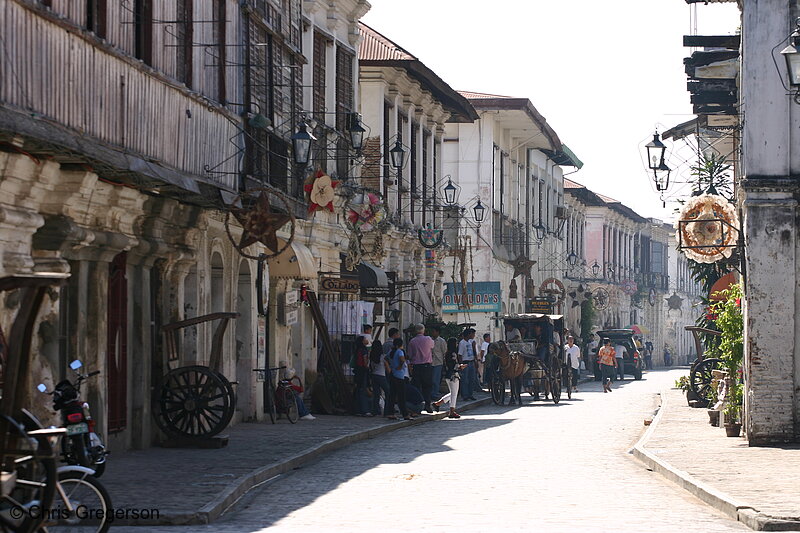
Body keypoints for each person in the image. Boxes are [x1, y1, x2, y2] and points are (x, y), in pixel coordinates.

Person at [433, 337, 466, 418]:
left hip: (449, 374)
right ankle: (451, 411)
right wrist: (460, 366)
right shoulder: (452, 354)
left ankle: (438, 403)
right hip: (453, 375)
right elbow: (452, 365)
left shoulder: (448, 353)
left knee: (453, 393)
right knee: (454, 394)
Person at [407, 323, 434, 413]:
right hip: (427, 366)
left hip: (416, 366)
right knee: (427, 386)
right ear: (423, 330)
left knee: (417, 386)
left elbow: (410, 355)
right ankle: (427, 405)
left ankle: (418, 405)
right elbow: (432, 347)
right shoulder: (428, 339)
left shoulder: (412, 341)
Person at [387, 337, 411, 420]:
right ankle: (405, 414)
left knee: (392, 395)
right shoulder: (400, 352)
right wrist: (400, 366)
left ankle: (390, 413)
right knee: (401, 396)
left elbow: (386, 359)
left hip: (392, 374)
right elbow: (402, 360)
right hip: (400, 375)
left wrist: (390, 367)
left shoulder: (391, 352)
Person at [369, 340, 391, 417]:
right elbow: (388, 369)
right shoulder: (383, 357)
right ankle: (387, 411)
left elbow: (371, 367)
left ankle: (375, 411)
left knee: (376, 394)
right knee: (388, 392)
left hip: (374, 375)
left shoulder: (371, 356)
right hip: (381, 376)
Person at [353, 336, 372, 416]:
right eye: (365, 339)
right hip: (363, 371)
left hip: (358, 371)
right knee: (363, 390)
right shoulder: (364, 350)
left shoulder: (357, 349)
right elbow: (365, 362)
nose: (366, 340)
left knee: (358, 389)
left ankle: (358, 410)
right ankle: (365, 410)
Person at [458, 328, 478, 401]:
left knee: (471, 379)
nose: (473, 336)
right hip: (465, 362)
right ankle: (465, 395)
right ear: (469, 334)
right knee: (465, 380)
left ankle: (470, 394)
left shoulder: (470, 342)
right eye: (472, 334)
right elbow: (460, 354)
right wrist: (461, 364)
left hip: (471, 361)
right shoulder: (462, 343)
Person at [430, 326, 447, 401]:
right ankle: (432, 393)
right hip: (430, 361)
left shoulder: (441, 341)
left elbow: (444, 351)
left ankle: (435, 393)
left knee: (436, 379)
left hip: (438, 362)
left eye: (434, 331)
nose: (432, 333)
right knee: (431, 379)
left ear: (437, 332)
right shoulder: (429, 340)